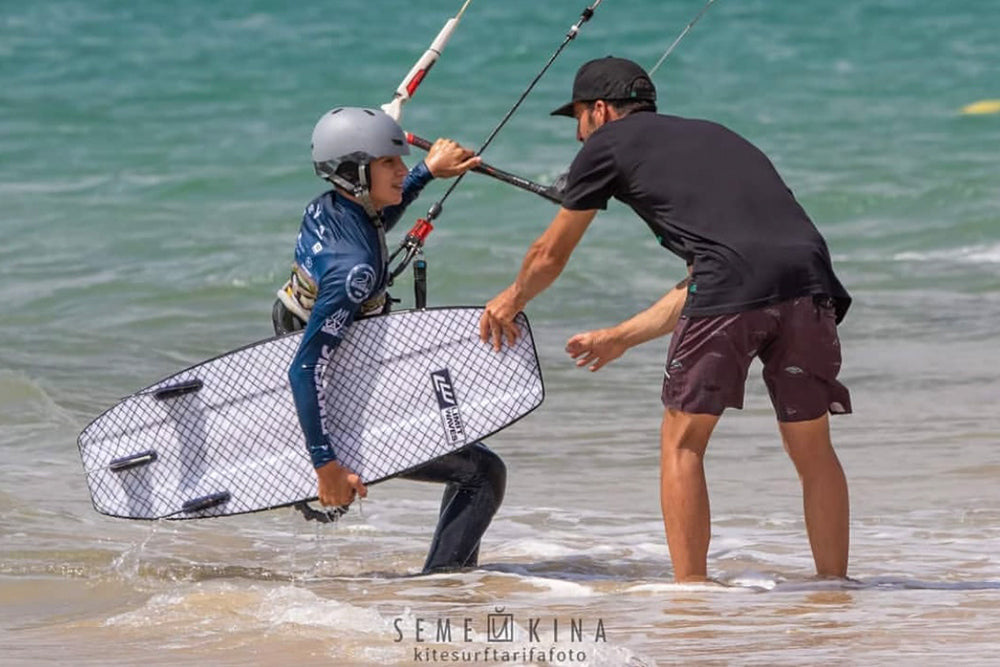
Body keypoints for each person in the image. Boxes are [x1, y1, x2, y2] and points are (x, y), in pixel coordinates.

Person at [479, 57, 853, 583]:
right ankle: (834, 588)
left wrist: (511, 299)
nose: (579, 133)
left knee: (682, 443)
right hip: (812, 279)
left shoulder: (603, 146)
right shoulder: (716, 135)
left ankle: (692, 593)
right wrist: (622, 337)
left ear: (601, 110)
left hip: (739, 285)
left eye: (579, 118)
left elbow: (549, 254)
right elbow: (725, 270)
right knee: (812, 447)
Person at [275, 106, 506, 573]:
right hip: (338, 383)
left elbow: (376, 218)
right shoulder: (353, 272)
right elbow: (305, 368)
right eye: (389, 163)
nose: (401, 170)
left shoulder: (331, 206)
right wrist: (327, 466)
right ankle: (443, 592)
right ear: (354, 173)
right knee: (483, 474)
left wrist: (426, 173)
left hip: (303, 327)